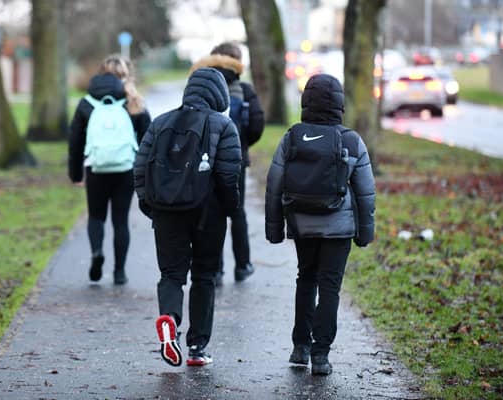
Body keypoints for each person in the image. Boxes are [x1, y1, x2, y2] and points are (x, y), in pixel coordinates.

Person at [265, 74, 376, 375]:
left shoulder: (292, 136)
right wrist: (365, 233)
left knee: (306, 278)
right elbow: (365, 192)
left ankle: (300, 347)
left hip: (303, 223)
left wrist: (274, 229)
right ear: (340, 104)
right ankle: (321, 355)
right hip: (338, 228)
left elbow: (274, 183)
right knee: (330, 287)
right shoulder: (351, 140)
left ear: (305, 102)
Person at [134, 68, 241, 367]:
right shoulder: (223, 125)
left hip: (166, 211)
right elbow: (229, 175)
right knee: (204, 276)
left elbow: (140, 169)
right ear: (219, 94)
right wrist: (230, 210)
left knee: (171, 274)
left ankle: (169, 317)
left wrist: (149, 206)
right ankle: (197, 348)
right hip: (208, 213)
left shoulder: (160, 123)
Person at [68, 54, 151, 285]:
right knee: (120, 221)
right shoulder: (134, 101)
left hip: (96, 169)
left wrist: (76, 174)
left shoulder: (86, 103)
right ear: (126, 76)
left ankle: (96, 252)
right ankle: (119, 272)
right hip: (126, 170)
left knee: (96, 216)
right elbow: (148, 140)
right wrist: (144, 172)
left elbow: (75, 141)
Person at [190, 42, 265, 285]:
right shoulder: (244, 89)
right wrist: (241, 144)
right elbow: (256, 125)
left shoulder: (201, 86)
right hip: (236, 160)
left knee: (211, 212)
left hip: (205, 160)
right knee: (237, 210)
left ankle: (216, 269)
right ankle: (243, 265)